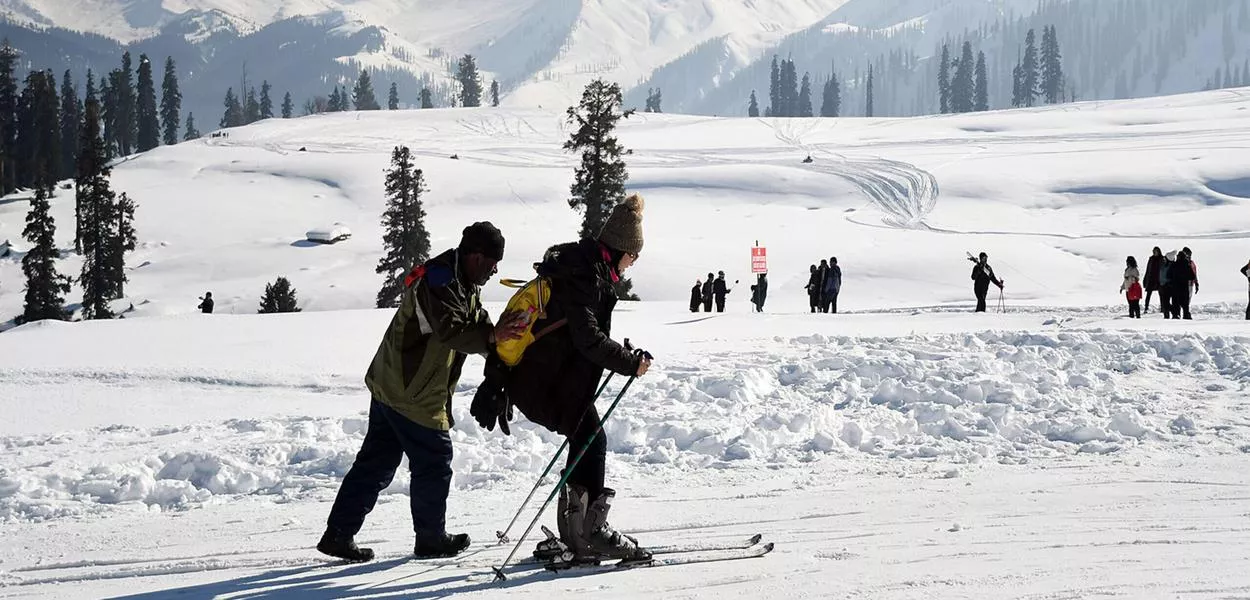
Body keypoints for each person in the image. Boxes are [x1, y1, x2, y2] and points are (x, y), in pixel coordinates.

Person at [317, 222, 527, 563]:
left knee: (377, 463)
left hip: (393, 384)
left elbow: (474, 321)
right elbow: (451, 331)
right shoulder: (439, 282)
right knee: (434, 462)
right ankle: (430, 538)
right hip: (411, 392)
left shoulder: (460, 279)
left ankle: (338, 534)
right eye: (492, 264)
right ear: (476, 257)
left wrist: (500, 349)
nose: (495, 271)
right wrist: (492, 337)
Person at [477, 194, 653, 564]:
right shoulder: (585, 277)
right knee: (592, 437)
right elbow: (587, 338)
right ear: (620, 249)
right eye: (633, 255)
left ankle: (577, 533)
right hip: (546, 384)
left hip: (548, 380)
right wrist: (628, 362)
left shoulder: (582, 268)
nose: (634, 262)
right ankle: (589, 533)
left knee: (586, 437)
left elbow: (576, 336)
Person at [1166, 249, 1195, 320]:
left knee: (1175, 302)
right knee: (1185, 304)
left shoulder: (1174, 265)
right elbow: (1192, 276)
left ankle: (1176, 315)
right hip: (1184, 287)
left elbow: (1168, 275)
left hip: (1175, 287)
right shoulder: (1187, 265)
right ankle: (1186, 315)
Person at [1143, 247, 1163, 313]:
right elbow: (1148, 269)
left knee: (1161, 294)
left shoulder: (1162, 259)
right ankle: (1146, 307)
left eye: (1156, 251)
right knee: (1148, 294)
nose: (1154, 252)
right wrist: (1145, 279)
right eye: (1154, 251)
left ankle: (1162, 308)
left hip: (1159, 279)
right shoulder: (1151, 259)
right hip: (1151, 279)